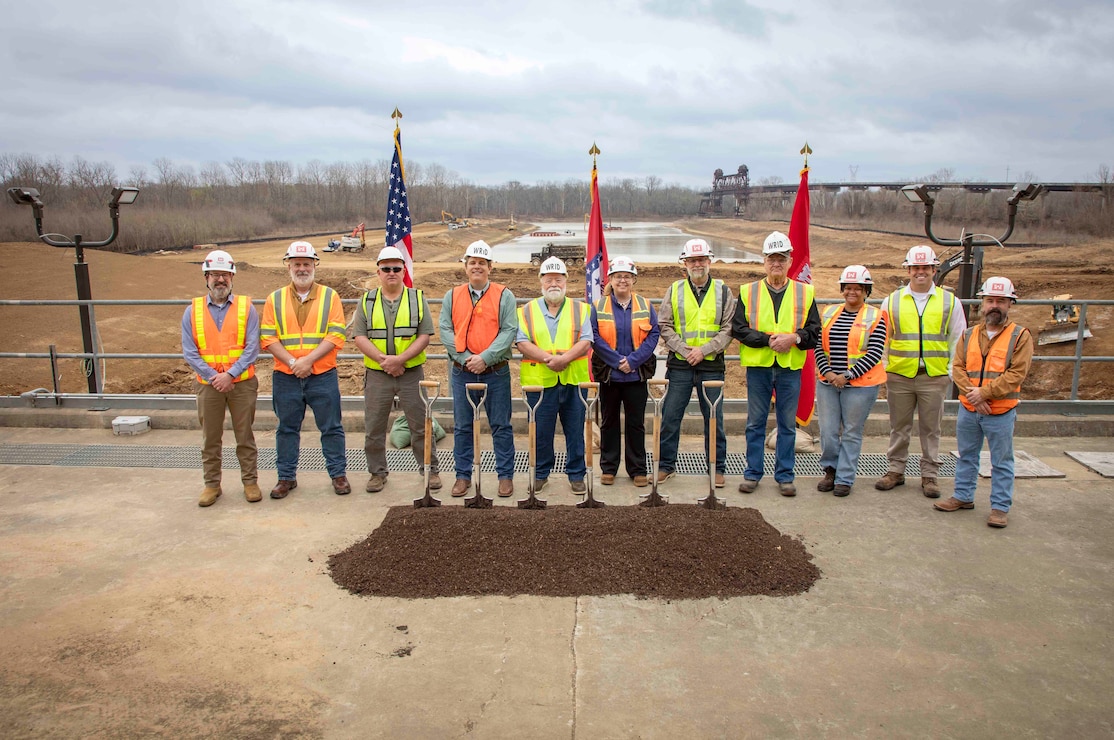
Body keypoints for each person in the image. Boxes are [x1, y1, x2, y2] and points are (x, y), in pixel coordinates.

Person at [935, 277, 1034, 528]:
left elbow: (1016, 374)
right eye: (990, 300)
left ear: (1010, 304)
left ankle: (1000, 508)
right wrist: (973, 395)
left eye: (1001, 301)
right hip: (970, 408)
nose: (994, 306)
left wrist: (985, 394)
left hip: (1000, 411)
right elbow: (957, 367)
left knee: (1001, 461)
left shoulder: (1020, 336)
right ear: (982, 303)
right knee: (967, 455)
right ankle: (963, 496)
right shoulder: (969, 335)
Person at [732, 231, 821, 497]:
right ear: (764, 261)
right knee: (755, 423)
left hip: (789, 369)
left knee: (786, 425)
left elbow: (814, 332)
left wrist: (793, 338)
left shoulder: (805, 293)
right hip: (759, 368)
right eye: (771, 259)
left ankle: (784, 476)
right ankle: (752, 474)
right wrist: (768, 340)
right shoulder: (749, 292)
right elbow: (739, 329)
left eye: (781, 259)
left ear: (790, 260)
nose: (776, 264)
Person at [876, 245, 967, 498]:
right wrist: (885, 368)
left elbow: (958, 339)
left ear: (934, 269)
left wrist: (949, 372)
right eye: (915, 268)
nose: (920, 272)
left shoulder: (950, 301)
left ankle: (929, 475)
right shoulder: (891, 301)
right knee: (899, 426)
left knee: (931, 428)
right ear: (908, 270)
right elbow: (882, 338)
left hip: (934, 376)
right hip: (900, 376)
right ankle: (895, 470)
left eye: (925, 267)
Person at [261, 241, 350, 498]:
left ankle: (338, 475)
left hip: (322, 374)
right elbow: (268, 338)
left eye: (306, 264)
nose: (302, 268)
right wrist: (293, 363)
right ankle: (286, 478)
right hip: (286, 376)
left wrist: (308, 361)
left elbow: (336, 335)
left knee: (331, 427)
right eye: (297, 264)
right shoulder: (274, 299)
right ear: (288, 266)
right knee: (287, 428)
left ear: (314, 266)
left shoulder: (329, 296)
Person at [353, 247, 440, 494]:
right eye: (386, 269)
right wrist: (385, 361)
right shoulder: (366, 300)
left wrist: (400, 359)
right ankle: (377, 474)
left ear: (404, 271)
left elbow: (425, 336)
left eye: (396, 269)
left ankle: (430, 470)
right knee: (374, 427)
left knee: (421, 425)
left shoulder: (417, 298)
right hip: (378, 374)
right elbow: (359, 336)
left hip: (411, 373)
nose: (391, 273)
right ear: (378, 272)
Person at [181, 250, 261, 507]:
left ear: (232, 277)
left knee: (245, 436)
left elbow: (252, 348)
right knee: (210, 438)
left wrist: (230, 374)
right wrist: (215, 377)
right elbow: (190, 352)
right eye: (215, 274)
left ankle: (250, 482)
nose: (220, 280)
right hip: (209, 386)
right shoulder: (191, 311)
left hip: (241, 384)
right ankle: (212, 485)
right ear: (206, 277)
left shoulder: (246, 308)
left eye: (225, 274)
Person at [439, 240, 518, 497]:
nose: (477, 267)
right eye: (472, 262)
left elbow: (509, 330)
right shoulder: (452, 295)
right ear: (465, 266)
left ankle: (505, 476)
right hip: (462, 372)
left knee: (501, 426)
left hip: (495, 371)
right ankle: (463, 476)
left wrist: (485, 357)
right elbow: (445, 329)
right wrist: (464, 357)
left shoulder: (504, 295)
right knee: (462, 426)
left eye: (481, 263)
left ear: (490, 267)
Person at [657, 238, 737, 487]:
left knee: (714, 418)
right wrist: (684, 349)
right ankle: (665, 466)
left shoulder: (723, 291)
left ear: (709, 260)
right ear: (685, 263)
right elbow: (664, 325)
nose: (697, 264)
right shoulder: (675, 289)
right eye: (692, 260)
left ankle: (717, 468)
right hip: (680, 365)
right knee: (670, 417)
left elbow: (728, 328)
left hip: (711, 364)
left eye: (701, 259)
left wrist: (703, 350)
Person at [516, 256, 593, 492]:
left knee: (575, 430)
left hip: (573, 381)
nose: (553, 284)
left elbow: (587, 340)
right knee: (541, 431)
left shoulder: (581, 308)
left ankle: (576, 475)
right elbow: (521, 341)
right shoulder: (526, 311)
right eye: (549, 279)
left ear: (566, 281)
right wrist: (549, 359)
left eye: (558, 279)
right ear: (541, 282)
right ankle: (540, 473)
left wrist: (564, 359)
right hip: (540, 383)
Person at [815, 265, 887, 497]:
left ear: (866, 290)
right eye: (848, 288)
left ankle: (844, 478)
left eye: (858, 288)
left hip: (860, 385)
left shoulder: (876, 316)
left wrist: (847, 376)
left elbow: (875, 352)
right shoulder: (829, 312)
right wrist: (828, 373)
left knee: (852, 432)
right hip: (828, 383)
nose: (852, 292)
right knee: (827, 431)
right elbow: (818, 346)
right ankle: (830, 469)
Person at [591, 256, 660, 487]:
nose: (623, 280)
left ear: (634, 280)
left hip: (635, 375)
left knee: (636, 423)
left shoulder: (645, 305)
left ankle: (637, 469)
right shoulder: (598, 306)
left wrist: (633, 361)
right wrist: (616, 361)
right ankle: (609, 468)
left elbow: (653, 335)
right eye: (618, 276)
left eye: (627, 276)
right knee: (609, 422)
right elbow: (594, 336)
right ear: (611, 279)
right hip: (610, 375)